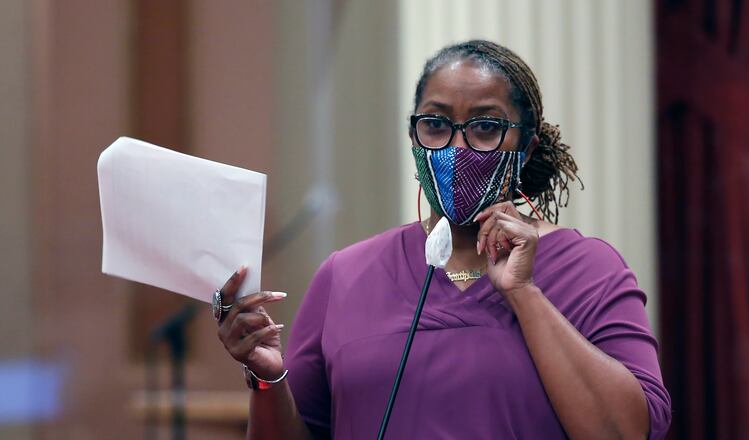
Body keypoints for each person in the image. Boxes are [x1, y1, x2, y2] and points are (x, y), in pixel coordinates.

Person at [215, 40, 671, 439]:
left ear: (526, 147)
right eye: (435, 124)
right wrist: (266, 379)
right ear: (414, 136)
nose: (457, 148)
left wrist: (523, 293)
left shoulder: (588, 269)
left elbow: (627, 431)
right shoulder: (346, 274)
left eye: (485, 127)